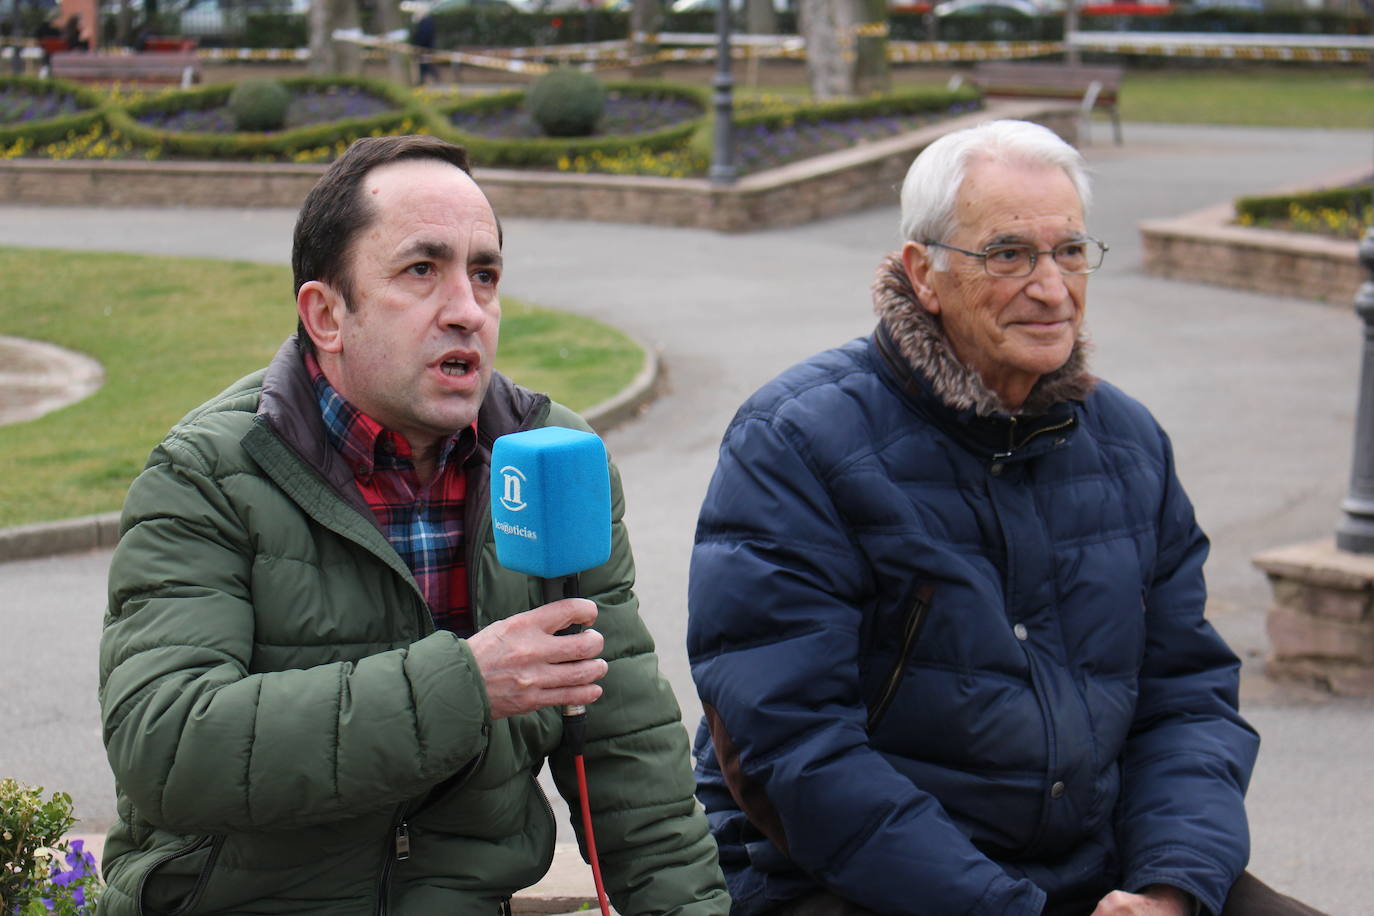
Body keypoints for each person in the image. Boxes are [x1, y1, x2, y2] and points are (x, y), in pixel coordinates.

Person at [686, 120, 1324, 916]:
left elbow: (1186, 699)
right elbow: (790, 748)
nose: (1052, 287)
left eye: (1068, 252)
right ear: (925, 274)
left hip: (1098, 874)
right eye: (1010, 254)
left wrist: (1170, 884)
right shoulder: (797, 441)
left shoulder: (1129, 445)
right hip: (850, 879)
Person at [97, 135, 730, 916]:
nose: (467, 310)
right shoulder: (208, 474)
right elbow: (166, 747)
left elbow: (629, 761)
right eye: (422, 270)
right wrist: (463, 687)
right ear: (326, 314)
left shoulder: (556, 464)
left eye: (485, 274)